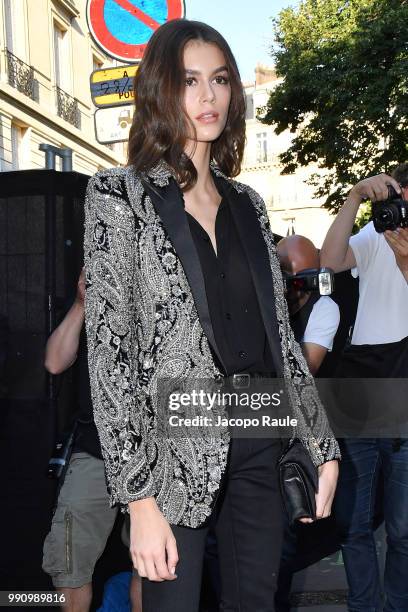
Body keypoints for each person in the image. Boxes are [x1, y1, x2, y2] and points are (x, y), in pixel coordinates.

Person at [83, 19, 340, 612]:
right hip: (176, 443)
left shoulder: (248, 203)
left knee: (257, 601)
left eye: (220, 80)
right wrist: (139, 500)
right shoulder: (118, 196)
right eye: (189, 80)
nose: (208, 97)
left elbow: (280, 339)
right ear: (159, 91)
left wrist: (321, 445)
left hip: (262, 432)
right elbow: (110, 353)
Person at [320, 167, 408, 612]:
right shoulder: (377, 235)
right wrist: (354, 197)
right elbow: (329, 262)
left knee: (404, 529)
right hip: (361, 396)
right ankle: (364, 607)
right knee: (352, 524)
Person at [42, 270, 142, 612]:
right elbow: (54, 362)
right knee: (69, 561)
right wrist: (82, 303)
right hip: (95, 449)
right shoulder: (92, 305)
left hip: (152, 451)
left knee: (150, 563)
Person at [275, 235, 340, 611]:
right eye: (289, 276)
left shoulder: (322, 306)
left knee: (282, 550)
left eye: (305, 276)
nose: (298, 284)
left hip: (293, 442)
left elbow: (307, 367)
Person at [277, 235, 340, 375]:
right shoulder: (262, 293)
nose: (290, 286)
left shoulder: (324, 307)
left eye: (301, 280)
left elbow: (303, 371)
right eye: (284, 275)